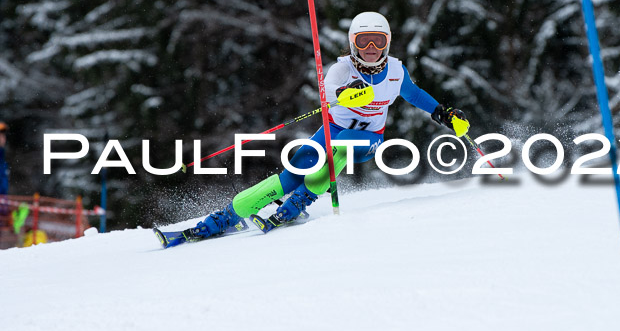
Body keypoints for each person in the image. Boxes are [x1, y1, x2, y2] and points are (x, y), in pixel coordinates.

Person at [183, 12, 468, 240]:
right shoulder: (341, 70)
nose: (371, 49)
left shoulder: (396, 71)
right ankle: (226, 217)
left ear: (388, 43)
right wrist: (346, 92)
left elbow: (414, 94)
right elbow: (328, 93)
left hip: (368, 140)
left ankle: (301, 201)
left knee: (343, 143)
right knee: (294, 172)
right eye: (364, 41)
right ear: (353, 42)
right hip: (332, 132)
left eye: (378, 41)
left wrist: (442, 113)